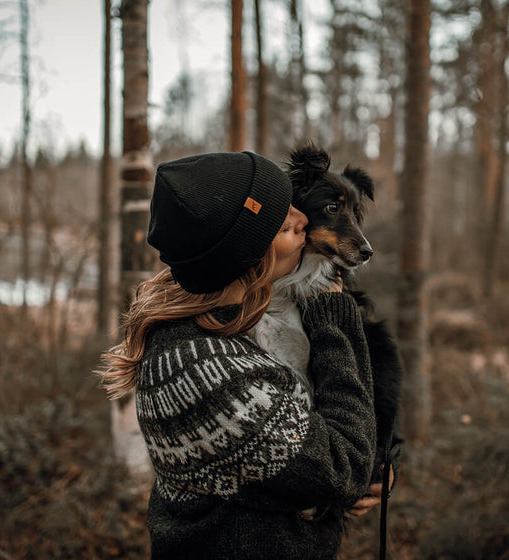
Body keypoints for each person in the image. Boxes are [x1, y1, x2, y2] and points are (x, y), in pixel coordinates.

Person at [99, 151, 383, 560]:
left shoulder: (231, 325)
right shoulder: (203, 372)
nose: (303, 222)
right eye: (285, 225)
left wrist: (378, 465)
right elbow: (342, 467)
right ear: (248, 255)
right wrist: (333, 314)